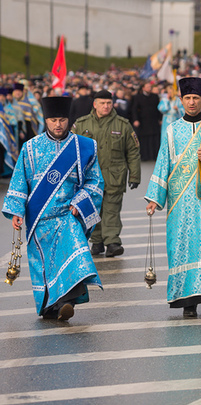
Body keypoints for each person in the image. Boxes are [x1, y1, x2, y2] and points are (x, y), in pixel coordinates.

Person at [2, 96, 104, 320]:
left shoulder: (83, 147)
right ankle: (52, 307)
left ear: (69, 120)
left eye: (62, 120)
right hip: (40, 219)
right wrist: (17, 211)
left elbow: (95, 181)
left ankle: (67, 302)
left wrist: (80, 202)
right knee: (46, 265)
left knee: (75, 256)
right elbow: (19, 181)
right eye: (53, 120)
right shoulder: (30, 148)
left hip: (68, 215)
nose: (58, 124)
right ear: (45, 120)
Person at [145, 77, 201, 318]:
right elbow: (163, 162)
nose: (192, 102)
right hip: (179, 200)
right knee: (182, 245)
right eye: (187, 98)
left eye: (196, 98)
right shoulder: (172, 130)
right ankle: (187, 300)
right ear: (181, 100)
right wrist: (155, 198)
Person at [72, 90, 141, 257]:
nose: (106, 106)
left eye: (109, 103)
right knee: (93, 209)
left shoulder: (123, 125)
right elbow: (71, 150)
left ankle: (112, 241)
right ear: (95, 104)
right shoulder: (81, 124)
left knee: (111, 210)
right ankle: (97, 241)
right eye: (102, 103)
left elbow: (133, 151)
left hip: (114, 176)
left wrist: (134, 175)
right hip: (89, 178)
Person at [132, 82, 162, 161]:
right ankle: (145, 156)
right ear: (143, 88)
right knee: (144, 139)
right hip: (143, 121)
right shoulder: (138, 97)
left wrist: (160, 119)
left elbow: (158, 108)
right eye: (147, 87)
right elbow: (134, 109)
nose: (149, 88)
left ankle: (154, 155)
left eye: (150, 87)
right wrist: (135, 119)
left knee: (154, 138)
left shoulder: (155, 96)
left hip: (153, 120)